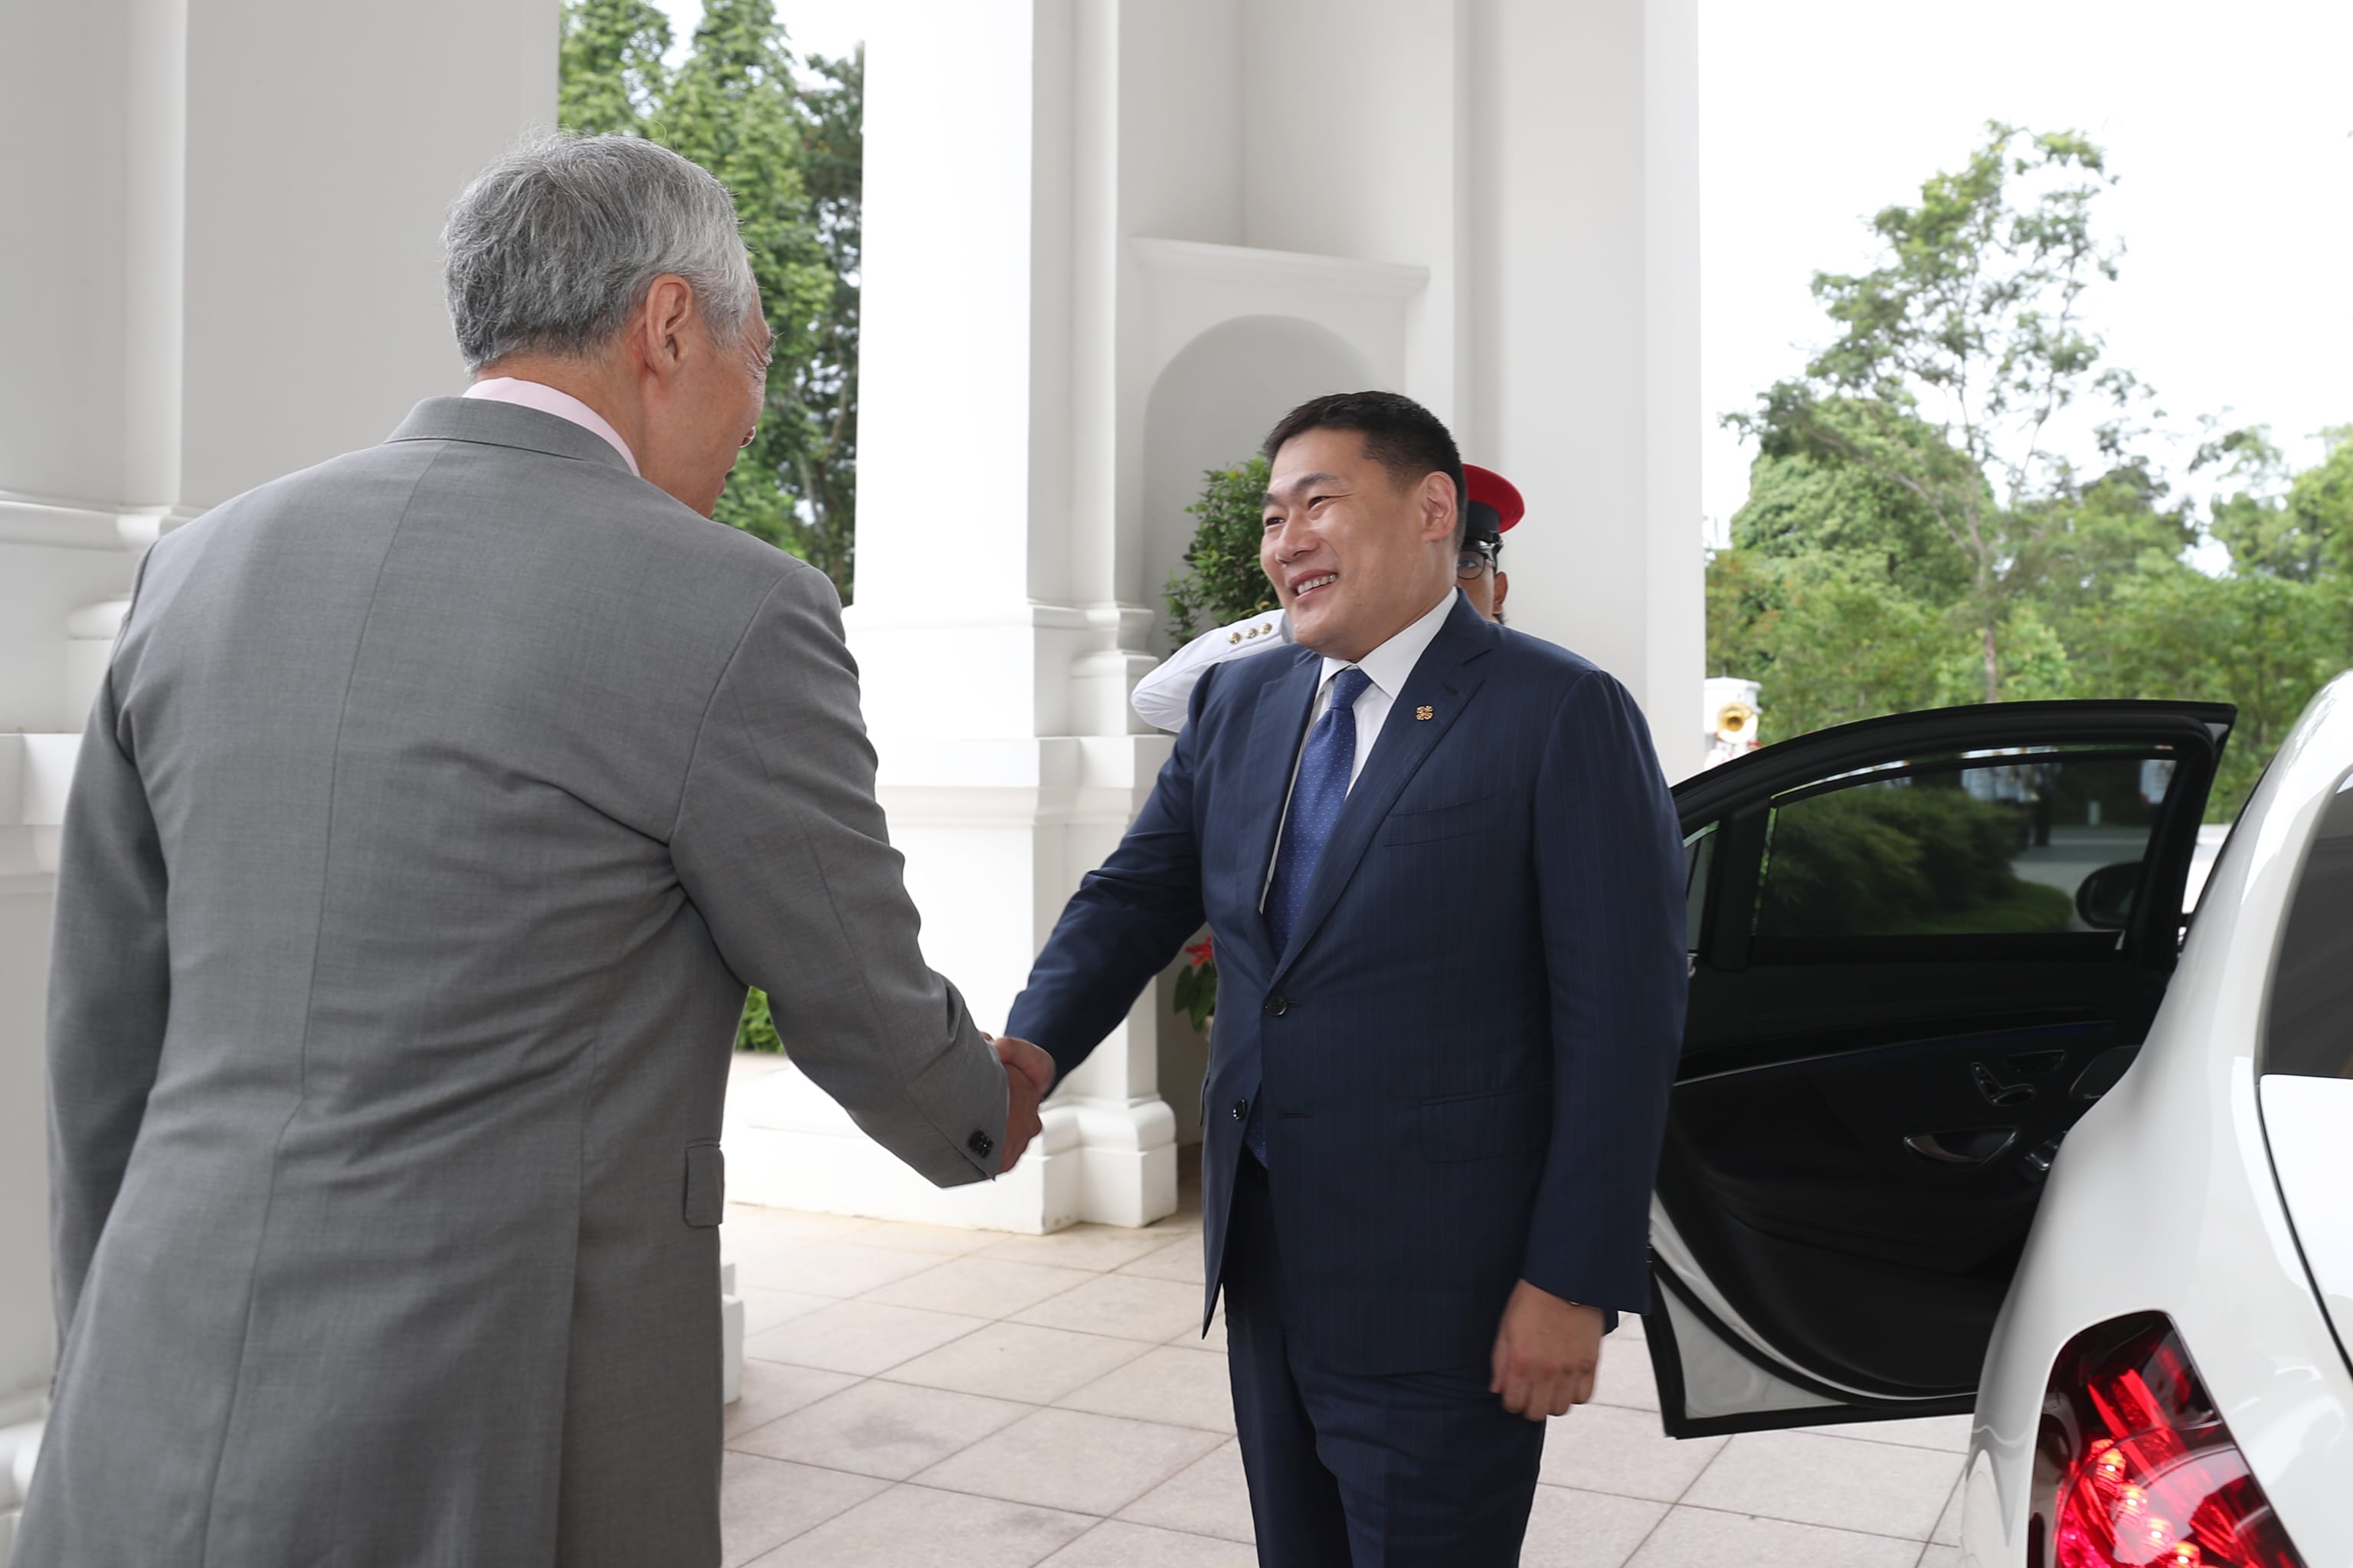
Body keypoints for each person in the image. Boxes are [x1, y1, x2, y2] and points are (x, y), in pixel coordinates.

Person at [23, 133, 1051, 1568]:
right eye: (756, 354)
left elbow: (99, 1042)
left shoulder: (200, 564)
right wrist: (978, 1110)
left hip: (154, 1387)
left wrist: (110, 1345)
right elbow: (858, 997)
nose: (756, 405)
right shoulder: (734, 607)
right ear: (670, 324)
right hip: (486, 1427)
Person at [1005, 391, 1687, 1564]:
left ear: (1433, 509)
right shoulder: (1240, 698)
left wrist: (1571, 1277)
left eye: (1318, 502)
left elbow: (1621, 1021)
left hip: (1449, 1286)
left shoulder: (1561, 711)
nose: (1285, 539)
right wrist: (1028, 1051)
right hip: (1267, 1256)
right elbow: (1133, 897)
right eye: (1273, 516)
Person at [1131, 463, 1523, 732]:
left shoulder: (1537, 699)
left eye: (1465, 564)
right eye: (1412, 563)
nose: (1437, 587)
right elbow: (1157, 699)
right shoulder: (1320, 686)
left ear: (1499, 591)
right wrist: (1299, 619)